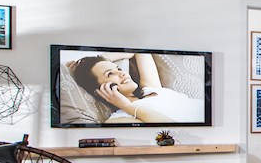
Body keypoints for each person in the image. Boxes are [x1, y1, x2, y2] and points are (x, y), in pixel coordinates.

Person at [70, 52, 204, 124]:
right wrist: (127, 106)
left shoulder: (150, 88)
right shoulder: (118, 120)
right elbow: (171, 132)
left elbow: (140, 52)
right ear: (100, 90)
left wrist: (99, 60)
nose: (122, 73)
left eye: (118, 68)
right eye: (110, 74)